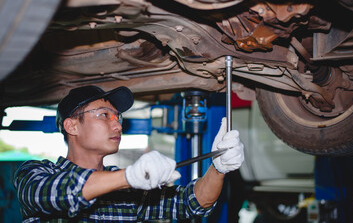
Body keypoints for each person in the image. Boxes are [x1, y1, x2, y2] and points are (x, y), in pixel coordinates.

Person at [14, 85, 244, 222]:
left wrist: (218, 167)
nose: (117, 126)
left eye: (118, 118)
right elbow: (53, 195)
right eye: (104, 115)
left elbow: (193, 202)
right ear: (72, 126)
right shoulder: (36, 172)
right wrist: (129, 177)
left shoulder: (129, 187)